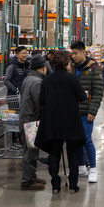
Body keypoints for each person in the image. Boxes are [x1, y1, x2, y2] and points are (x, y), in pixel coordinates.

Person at [35, 50, 88, 194]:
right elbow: (82, 97)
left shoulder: (47, 79)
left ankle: (55, 185)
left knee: (54, 153)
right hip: (71, 121)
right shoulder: (72, 79)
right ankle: (72, 185)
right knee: (73, 153)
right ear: (65, 62)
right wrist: (85, 94)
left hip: (53, 121)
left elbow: (41, 101)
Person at [70, 41, 104, 183]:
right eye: (72, 53)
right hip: (73, 111)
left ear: (84, 52)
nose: (73, 56)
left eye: (76, 53)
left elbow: (98, 91)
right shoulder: (71, 67)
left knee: (86, 140)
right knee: (77, 140)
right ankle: (82, 167)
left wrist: (93, 111)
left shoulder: (94, 68)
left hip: (86, 112)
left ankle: (93, 169)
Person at [18, 54, 48, 191]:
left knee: (33, 150)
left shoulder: (29, 78)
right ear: (43, 68)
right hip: (30, 120)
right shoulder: (37, 82)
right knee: (30, 151)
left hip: (27, 118)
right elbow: (39, 102)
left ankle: (32, 176)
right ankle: (27, 181)